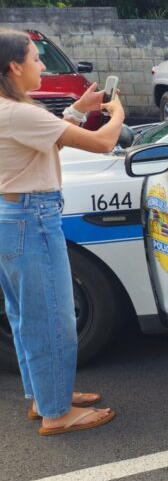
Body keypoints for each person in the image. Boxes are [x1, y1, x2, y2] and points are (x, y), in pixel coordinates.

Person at [0, 28, 124, 436]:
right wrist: (116, 114)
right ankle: (56, 412)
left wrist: (76, 107)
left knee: (27, 316)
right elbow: (104, 144)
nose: (40, 66)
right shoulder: (19, 112)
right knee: (53, 315)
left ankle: (46, 396)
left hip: (13, 216)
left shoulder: (11, 109)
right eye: (36, 59)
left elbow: (45, 142)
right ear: (15, 66)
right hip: (31, 218)